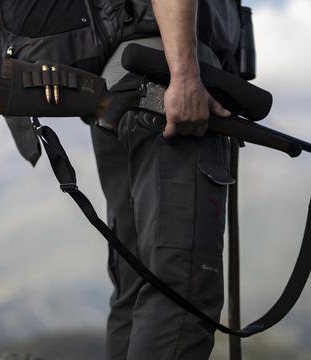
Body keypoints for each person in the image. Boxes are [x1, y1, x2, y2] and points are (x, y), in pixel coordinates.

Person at [89, 1, 242, 359]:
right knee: (181, 292)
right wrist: (185, 74)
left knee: (138, 288)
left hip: (115, 87)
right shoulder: (179, 74)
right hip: (168, 84)